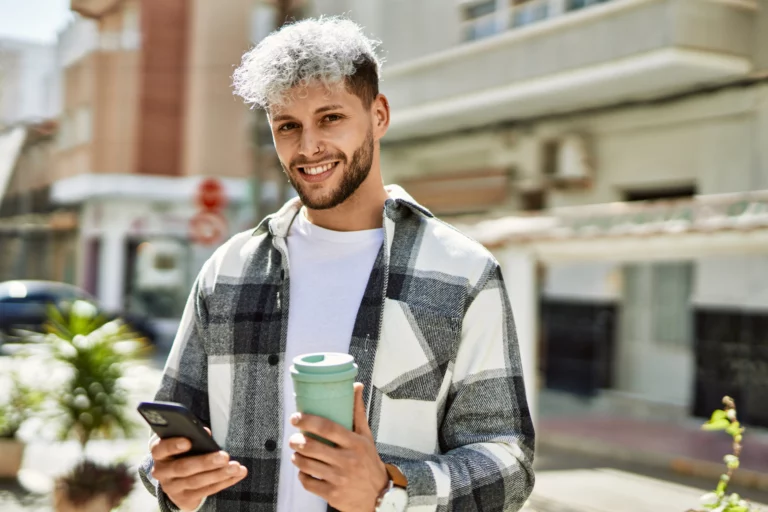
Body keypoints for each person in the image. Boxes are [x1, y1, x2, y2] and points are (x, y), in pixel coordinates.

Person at [139, 16, 535, 512]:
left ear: (379, 115)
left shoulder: (463, 273)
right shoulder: (229, 270)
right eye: (288, 126)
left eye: (330, 118)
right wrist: (170, 478)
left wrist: (388, 487)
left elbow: (509, 464)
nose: (308, 148)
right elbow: (169, 438)